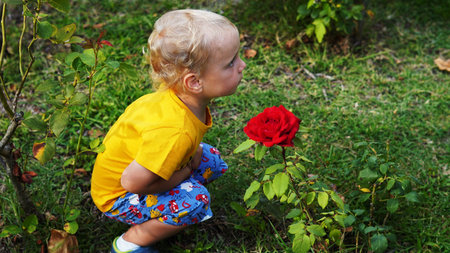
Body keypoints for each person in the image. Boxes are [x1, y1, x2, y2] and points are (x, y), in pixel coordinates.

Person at [90, 9, 246, 253]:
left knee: (211, 160)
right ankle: (132, 241)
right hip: (118, 196)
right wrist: (184, 173)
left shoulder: (179, 99)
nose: (242, 65)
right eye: (231, 63)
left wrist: (188, 166)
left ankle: (173, 200)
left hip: (142, 171)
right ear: (194, 82)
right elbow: (132, 182)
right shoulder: (174, 130)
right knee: (196, 201)